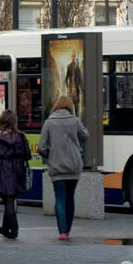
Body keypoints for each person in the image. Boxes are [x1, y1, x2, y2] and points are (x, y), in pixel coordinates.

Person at [38, 95, 89, 241]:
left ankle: (62, 232)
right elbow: (85, 136)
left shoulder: (49, 122)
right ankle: (68, 230)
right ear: (70, 106)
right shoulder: (74, 120)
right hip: (74, 166)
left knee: (59, 198)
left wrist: (51, 154)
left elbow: (41, 147)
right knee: (70, 198)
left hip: (57, 167)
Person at [0, 109, 31, 240]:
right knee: (10, 198)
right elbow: (27, 155)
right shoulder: (21, 136)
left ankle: (14, 229)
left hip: (2, 169)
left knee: (8, 199)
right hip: (17, 169)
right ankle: (5, 227)